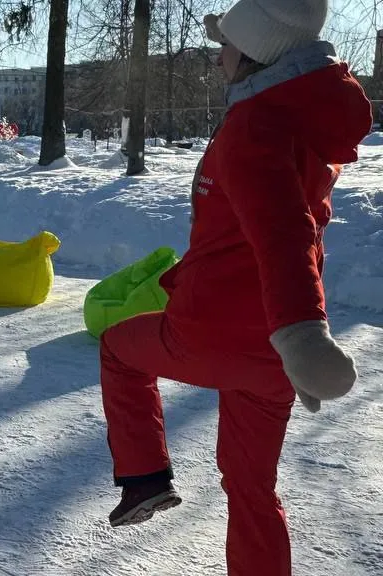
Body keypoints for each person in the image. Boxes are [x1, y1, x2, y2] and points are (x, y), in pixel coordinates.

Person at [100, 0, 368, 573]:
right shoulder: (300, 117)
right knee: (251, 487)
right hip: (272, 355)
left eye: (224, 44)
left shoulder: (257, 125)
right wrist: (293, 341)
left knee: (118, 349)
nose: (216, 56)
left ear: (251, 54)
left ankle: (145, 477)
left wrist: (303, 335)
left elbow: (283, 232)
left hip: (218, 330)